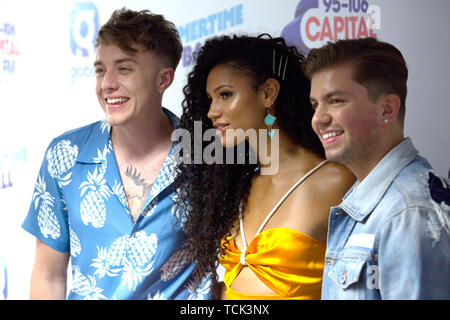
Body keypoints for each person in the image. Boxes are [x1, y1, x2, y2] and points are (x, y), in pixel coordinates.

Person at [22, 8, 211, 300]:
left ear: (164, 79)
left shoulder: (206, 153)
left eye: (124, 68)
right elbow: (48, 276)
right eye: (100, 70)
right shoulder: (64, 155)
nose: (106, 83)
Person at [174, 34, 355, 300]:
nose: (212, 111)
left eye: (225, 95)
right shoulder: (239, 189)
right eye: (211, 99)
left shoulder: (336, 181)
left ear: (268, 93)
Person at [303, 37, 450, 299]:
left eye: (336, 101)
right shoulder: (377, 200)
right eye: (316, 105)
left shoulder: (408, 214)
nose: (318, 118)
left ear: (387, 109)